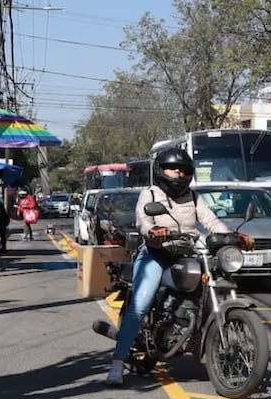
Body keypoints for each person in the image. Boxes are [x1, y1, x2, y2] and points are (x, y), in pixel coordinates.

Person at [106, 148, 252, 386]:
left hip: (188, 252)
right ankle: (118, 362)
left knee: (208, 282)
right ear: (161, 171)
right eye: (173, 168)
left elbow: (211, 221)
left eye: (183, 170)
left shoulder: (193, 197)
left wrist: (235, 237)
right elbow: (143, 220)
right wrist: (153, 232)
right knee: (140, 304)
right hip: (156, 253)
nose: (178, 173)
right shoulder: (150, 194)